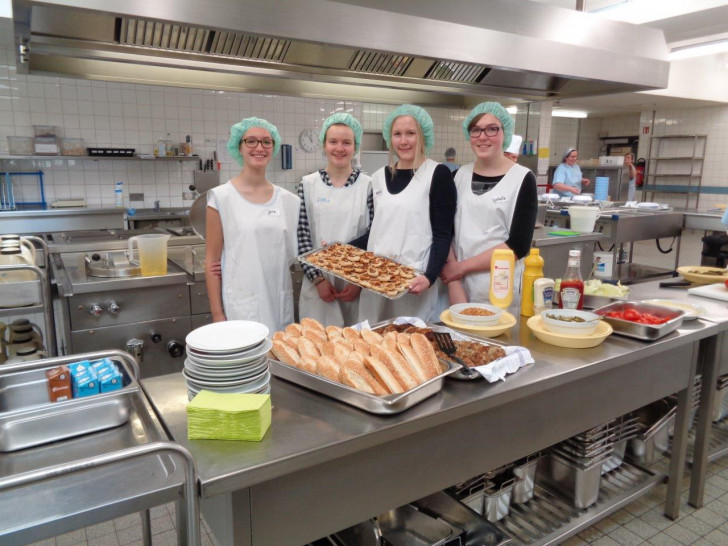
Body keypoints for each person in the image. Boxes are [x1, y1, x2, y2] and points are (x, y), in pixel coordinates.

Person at [354, 104, 456, 323]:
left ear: (422, 136)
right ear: (389, 138)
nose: (403, 141)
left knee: (410, 343)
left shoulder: (437, 174)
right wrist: (338, 249)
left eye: (411, 133)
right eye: (397, 134)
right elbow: (377, 230)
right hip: (376, 280)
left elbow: (443, 234)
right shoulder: (378, 177)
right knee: (374, 344)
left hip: (412, 282)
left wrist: (429, 277)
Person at [205, 117, 300, 333]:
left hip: (278, 300)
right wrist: (217, 314)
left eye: (267, 142)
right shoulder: (221, 199)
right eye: (251, 141)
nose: (260, 148)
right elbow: (211, 263)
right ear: (239, 146)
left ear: (273, 147)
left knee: (277, 362)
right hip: (241, 305)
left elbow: (297, 252)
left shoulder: (288, 201)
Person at [440, 102, 538, 304]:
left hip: (499, 289)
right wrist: (454, 280)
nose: (483, 137)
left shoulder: (522, 179)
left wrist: (460, 268)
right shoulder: (457, 176)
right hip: (457, 289)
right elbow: (443, 231)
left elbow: (518, 246)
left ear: (505, 133)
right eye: (476, 130)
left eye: (492, 129)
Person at [297, 113, 373, 326]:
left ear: (355, 147)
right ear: (324, 144)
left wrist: (359, 282)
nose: (339, 148)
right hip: (318, 285)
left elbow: (373, 237)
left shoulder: (368, 185)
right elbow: (301, 236)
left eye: (346, 142)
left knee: (354, 349)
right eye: (333, 142)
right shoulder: (307, 184)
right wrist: (318, 280)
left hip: (355, 284)